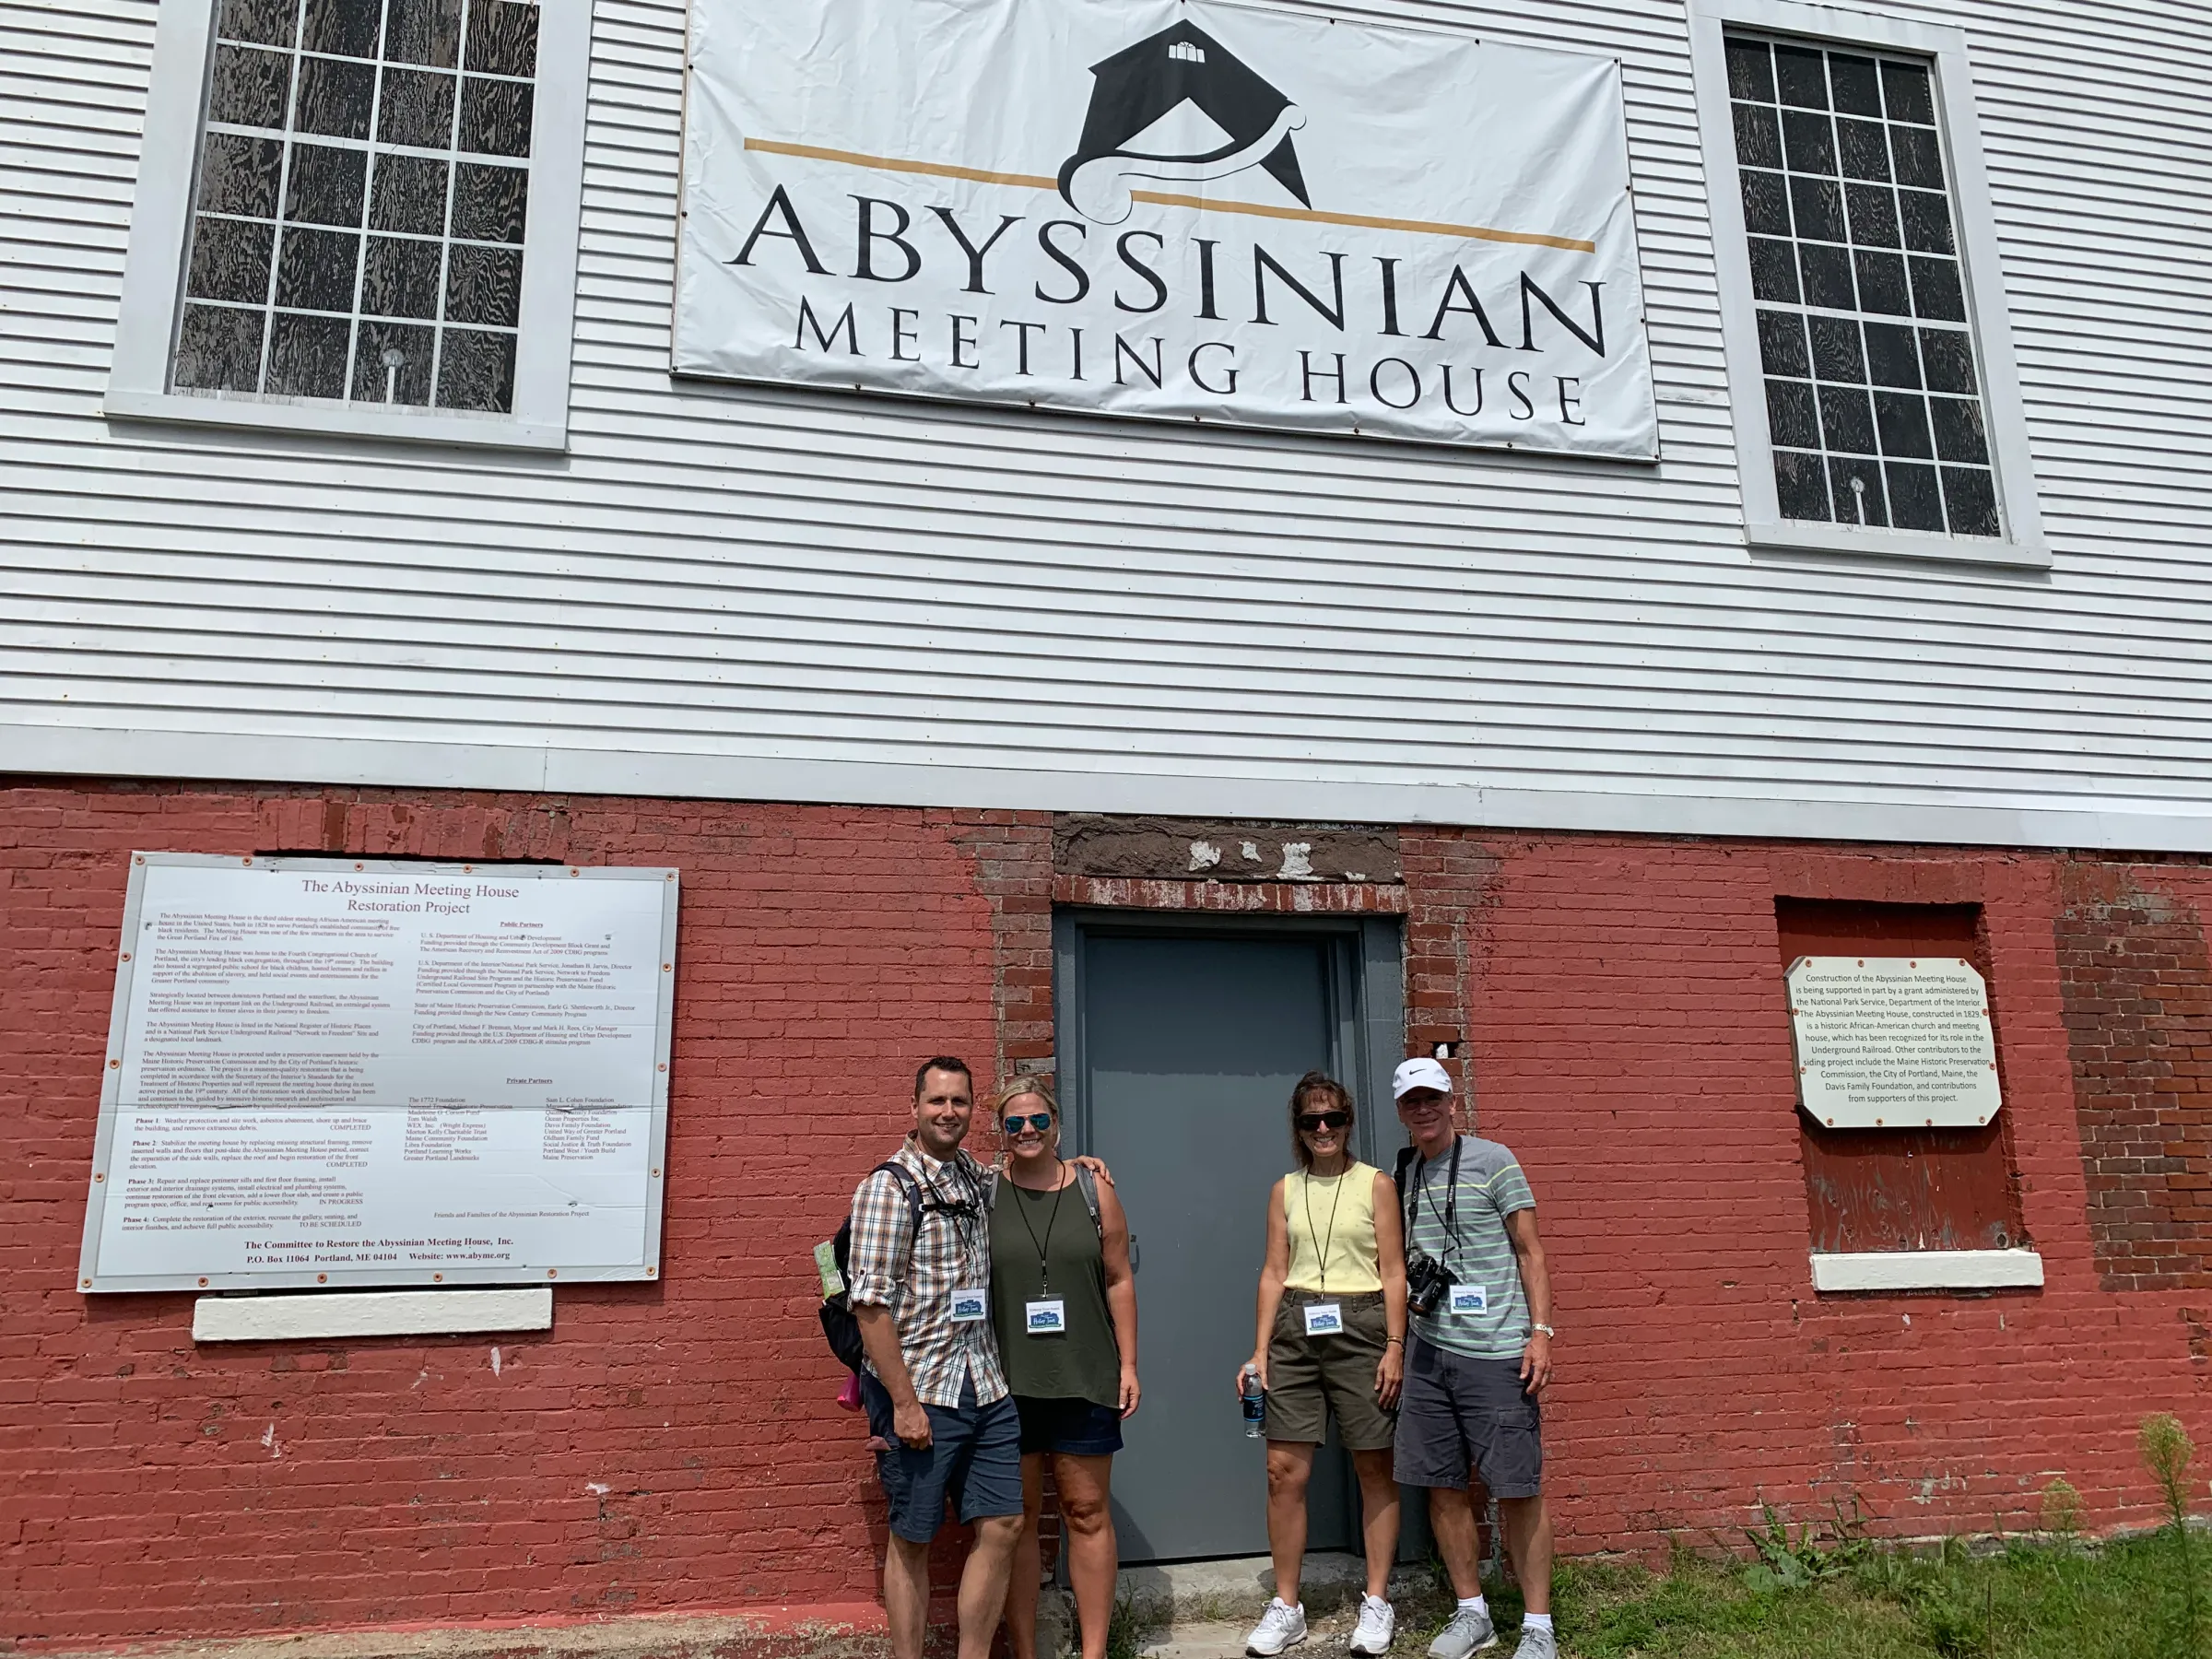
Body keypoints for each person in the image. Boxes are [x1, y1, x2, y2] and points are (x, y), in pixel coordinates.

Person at [848, 1056, 1023, 1659]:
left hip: (987, 1386)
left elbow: (1023, 1173)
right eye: (937, 1102)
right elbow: (869, 1307)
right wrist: (903, 1404)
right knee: (914, 1539)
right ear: (915, 1108)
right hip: (922, 1391)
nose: (949, 1112)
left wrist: (1074, 1168)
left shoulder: (975, 1177)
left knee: (1004, 1526)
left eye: (960, 1102)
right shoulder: (888, 1188)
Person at [1388, 1057, 1558, 1659]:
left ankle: (1539, 1626)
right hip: (1429, 1351)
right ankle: (1471, 1612)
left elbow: (1530, 1250)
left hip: (1496, 1352)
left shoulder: (1495, 1160)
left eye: (1433, 1098)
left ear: (1451, 1103)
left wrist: (1540, 1333)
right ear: (1401, 1111)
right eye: (1412, 1101)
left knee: (1517, 1488)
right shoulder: (1402, 1171)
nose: (1424, 1109)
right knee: (1442, 1487)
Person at [1240, 1072, 1409, 1658]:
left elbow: (1393, 1271)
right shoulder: (1284, 1189)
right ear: (1298, 1127)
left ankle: (1378, 1600)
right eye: (1311, 1120)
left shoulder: (1376, 1185)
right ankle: (1287, 1606)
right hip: (1294, 1327)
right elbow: (1271, 1271)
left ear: (1347, 1122)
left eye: (1333, 1118)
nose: (1322, 1129)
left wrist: (1395, 1344)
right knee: (1283, 1472)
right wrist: (1259, 1352)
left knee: (1373, 1467)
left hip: (1363, 1328)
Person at [988, 1077, 1140, 1659]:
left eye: (1038, 1121)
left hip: (1085, 1375)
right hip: (1007, 1383)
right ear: (1000, 1132)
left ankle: (1094, 1652)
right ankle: (1026, 1651)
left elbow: (1120, 1278)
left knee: (1086, 1511)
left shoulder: (1093, 1191)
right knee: (1017, 1520)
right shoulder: (983, 1191)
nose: (1027, 1131)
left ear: (1057, 1124)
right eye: (1014, 1123)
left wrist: (1129, 1363)